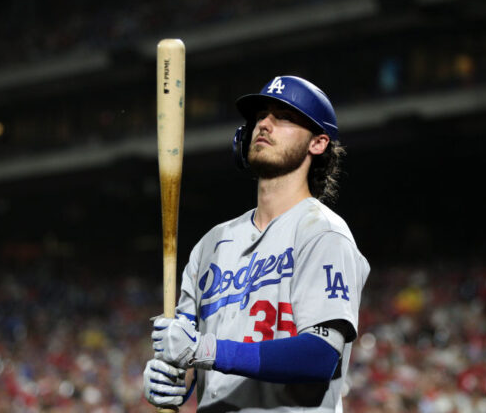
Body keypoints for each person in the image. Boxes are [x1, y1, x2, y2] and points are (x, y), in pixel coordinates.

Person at [143, 75, 370, 412]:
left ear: (318, 143)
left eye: (284, 117)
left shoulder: (322, 232)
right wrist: (170, 377)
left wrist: (204, 350)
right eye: (261, 115)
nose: (264, 123)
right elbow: (188, 358)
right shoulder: (212, 244)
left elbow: (320, 356)